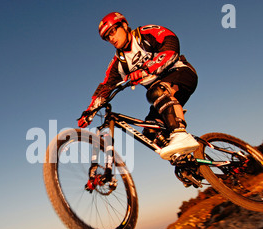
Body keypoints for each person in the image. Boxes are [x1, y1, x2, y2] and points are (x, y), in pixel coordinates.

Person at [78, 12, 199, 160]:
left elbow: (171, 45)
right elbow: (106, 86)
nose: (111, 38)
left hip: (182, 73)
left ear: (124, 25)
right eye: (107, 37)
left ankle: (180, 134)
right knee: (149, 132)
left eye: (112, 32)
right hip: (162, 97)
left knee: (156, 92)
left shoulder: (145, 34)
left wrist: (147, 69)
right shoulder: (119, 63)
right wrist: (90, 111)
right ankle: (186, 161)